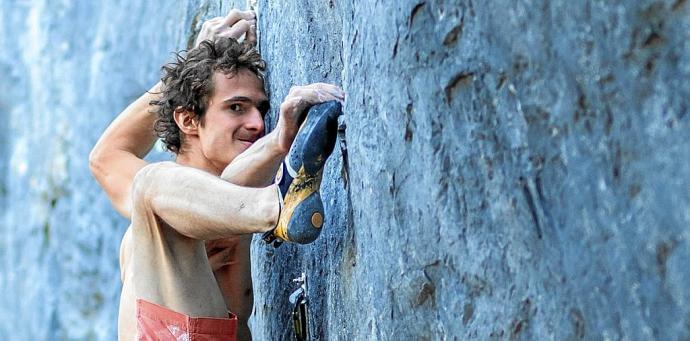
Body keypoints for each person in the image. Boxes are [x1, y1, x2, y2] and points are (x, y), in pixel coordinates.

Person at [89, 9, 344, 340]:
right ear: (188, 120)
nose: (255, 122)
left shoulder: (234, 199)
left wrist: (282, 140)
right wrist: (187, 68)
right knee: (149, 186)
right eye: (236, 107)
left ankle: (278, 202)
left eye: (261, 110)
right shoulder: (158, 223)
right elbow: (107, 157)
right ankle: (276, 204)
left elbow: (232, 188)